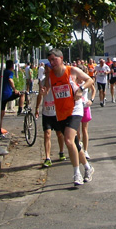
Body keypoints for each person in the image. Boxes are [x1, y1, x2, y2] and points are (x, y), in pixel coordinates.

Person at [46, 48, 95, 186]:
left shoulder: (71, 70)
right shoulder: (50, 75)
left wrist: (81, 89)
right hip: (61, 112)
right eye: (50, 60)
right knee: (74, 144)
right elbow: (45, 87)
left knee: (68, 140)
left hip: (75, 108)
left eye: (54, 59)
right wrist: (43, 90)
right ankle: (88, 168)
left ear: (61, 58)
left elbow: (89, 80)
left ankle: (76, 174)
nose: (52, 62)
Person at [35, 71, 66, 167]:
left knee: (59, 134)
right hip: (46, 113)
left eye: (49, 70)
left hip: (56, 113)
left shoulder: (57, 80)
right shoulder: (43, 81)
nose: (48, 72)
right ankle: (47, 157)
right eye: (46, 69)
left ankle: (61, 152)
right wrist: (37, 108)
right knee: (47, 134)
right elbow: (40, 96)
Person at [0, 60, 24, 137]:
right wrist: (14, 89)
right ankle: (20, 109)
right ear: (12, 66)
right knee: (22, 94)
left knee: (1, 113)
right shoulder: (10, 72)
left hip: (1, 94)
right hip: (8, 94)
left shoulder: (1, 72)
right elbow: (10, 80)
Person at [80, 81, 96, 159]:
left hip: (85, 107)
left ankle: (85, 151)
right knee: (76, 131)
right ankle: (79, 146)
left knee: (84, 129)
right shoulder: (73, 81)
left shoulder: (86, 82)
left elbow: (93, 90)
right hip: (76, 108)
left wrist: (91, 100)